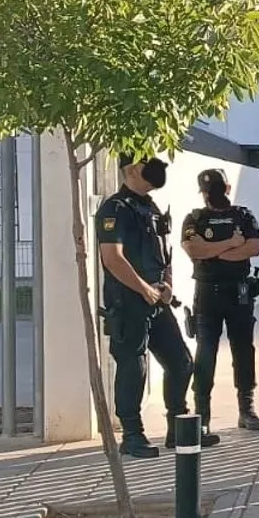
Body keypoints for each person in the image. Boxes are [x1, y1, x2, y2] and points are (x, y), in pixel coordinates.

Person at [96, 154, 200, 458]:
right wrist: (143, 289)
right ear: (130, 170)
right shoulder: (114, 209)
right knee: (133, 366)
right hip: (127, 301)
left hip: (156, 299)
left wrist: (166, 286)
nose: (157, 171)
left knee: (181, 362)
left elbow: (165, 251)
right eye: (148, 165)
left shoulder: (151, 207)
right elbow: (112, 258)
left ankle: (178, 429)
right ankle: (132, 435)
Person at [180, 168, 259, 436]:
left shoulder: (243, 215)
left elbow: (253, 247)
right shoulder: (195, 218)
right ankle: (202, 414)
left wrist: (212, 253)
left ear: (226, 189)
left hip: (238, 292)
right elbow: (192, 249)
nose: (211, 195)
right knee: (205, 353)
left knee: (243, 350)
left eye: (215, 189)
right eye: (208, 191)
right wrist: (230, 244)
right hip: (207, 294)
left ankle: (247, 409)